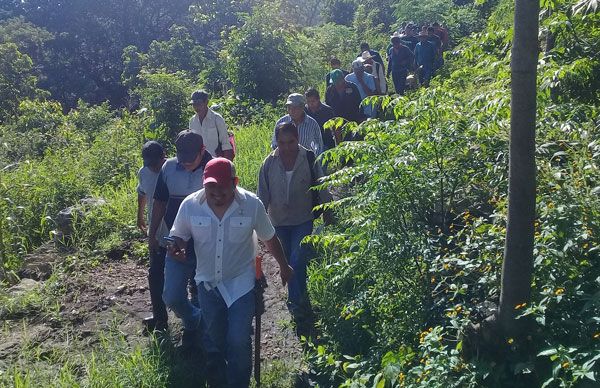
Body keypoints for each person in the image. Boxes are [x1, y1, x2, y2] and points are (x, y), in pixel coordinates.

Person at [169, 157, 294, 388]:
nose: (216, 192)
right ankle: (219, 375)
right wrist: (176, 245)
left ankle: (238, 382)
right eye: (210, 185)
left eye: (222, 185)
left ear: (235, 182)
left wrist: (284, 266)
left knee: (238, 340)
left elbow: (269, 237)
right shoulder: (190, 205)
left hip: (241, 284)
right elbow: (179, 235)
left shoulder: (251, 204)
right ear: (203, 182)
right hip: (207, 284)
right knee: (215, 338)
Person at [258, 122, 333, 333]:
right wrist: (258, 224)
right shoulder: (269, 163)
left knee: (297, 258)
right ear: (277, 142)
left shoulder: (308, 157)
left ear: (297, 139)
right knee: (290, 259)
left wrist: (328, 211)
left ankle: (296, 304)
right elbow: (262, 195)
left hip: (303, 218)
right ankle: (301, 297)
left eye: (291, 142)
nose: (287, 147)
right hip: (279, 221)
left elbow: (321, 184)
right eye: (282, 142)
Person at [148, 130, 212, 350]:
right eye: (181, 156)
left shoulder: (213, 168)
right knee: (172, 295)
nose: (185, 162)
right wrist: (152, 233)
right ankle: (195, 318)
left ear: (202, 151)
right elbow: (159, 202)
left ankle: (199, 336)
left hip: (207, 244)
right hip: (176, 242)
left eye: (190, 158)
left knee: (202, 290)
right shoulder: (168, 169)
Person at [137, 141, 169, 333]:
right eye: (149, 164)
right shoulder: (144, 172)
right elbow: (142, 193)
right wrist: (139, 214)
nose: (153, 167)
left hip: (175, 232)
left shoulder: (173, 169)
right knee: (155, 276)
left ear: (163, 156)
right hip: (155, 234)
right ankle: (160, 319)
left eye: (155, 163)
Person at [188, 90, 234, 160]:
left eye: (199, 104)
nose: (196, 107)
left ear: (206, 102)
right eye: (194, 105)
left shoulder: (217, 118)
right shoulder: (192, 121)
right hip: (200, 161)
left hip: (216, 159)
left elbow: (225, 142)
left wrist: (226, 161)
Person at [325, 69, 365, 141]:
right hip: (338, 124)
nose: (336, 84)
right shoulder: (329, 91)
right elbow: (328, 107)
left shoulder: (352, 87)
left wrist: (361, 120)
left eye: (338, 82)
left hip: (353, 120)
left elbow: (360, 104)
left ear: (343, 79)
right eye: (334, 82)